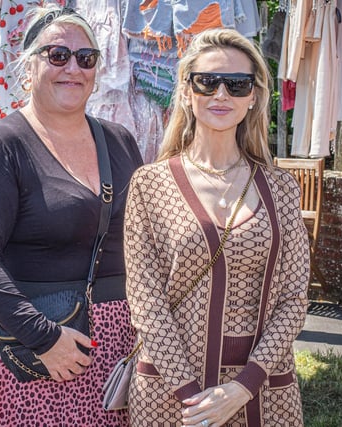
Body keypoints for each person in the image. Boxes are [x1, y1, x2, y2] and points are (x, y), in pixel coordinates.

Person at [0, 6, 143, 426]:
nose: (72, 68)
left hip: (116, 347)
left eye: (86, 58)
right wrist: (43, 337)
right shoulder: (1, 147)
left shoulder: (120, 141)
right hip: (35, 346)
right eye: (57, 55)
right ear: (28, 66)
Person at [124, 28, 310, 427]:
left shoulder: (281, 189)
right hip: (170, 394)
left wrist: (242, 387)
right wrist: (196, 400)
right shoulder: (149, 184)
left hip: (265, 391)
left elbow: (294, 300)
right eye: (207, 82)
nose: (221, 95)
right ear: (187, 92)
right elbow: (146, 304)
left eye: (237, 84)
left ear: (254, 96)